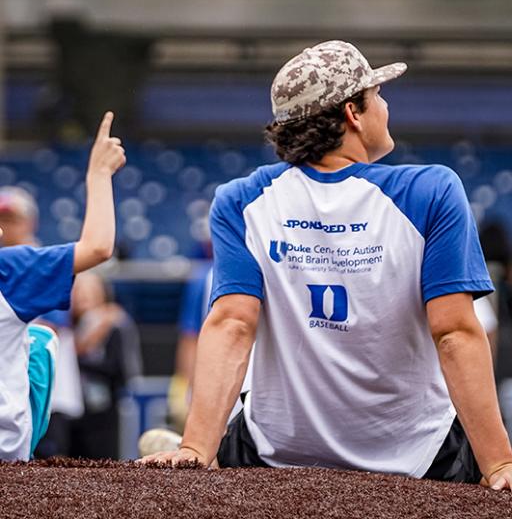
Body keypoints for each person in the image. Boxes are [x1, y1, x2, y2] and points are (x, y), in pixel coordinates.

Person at [141, 40, 512, 491]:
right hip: (418, 456)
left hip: (275, 453)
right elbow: (454, 332)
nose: (386, 107)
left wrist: (196, 451)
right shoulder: (431, 191)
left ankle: (198, 448)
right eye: (377, 96)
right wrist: (498, 466)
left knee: (220, 444)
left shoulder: (240, 200)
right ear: (354, 113)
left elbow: (232, 325)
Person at [0, 111, 125, 461]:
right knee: (41, 344)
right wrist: (99, 174)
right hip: (7, 444)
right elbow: (99, 246)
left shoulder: (20, 264)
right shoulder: (12, 268)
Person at [0, 186, 85, 457]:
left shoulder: (40, 261)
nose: (5, 226)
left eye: (11, 218)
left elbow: (50, 327)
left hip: (44, 387)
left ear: (30, 222)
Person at [70, 272, 142, 459]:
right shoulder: (64, 327)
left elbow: (121, 370)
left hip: (103, 412)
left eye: (90, 290)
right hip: (69, 413)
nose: (83, 296)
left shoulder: (115, 324)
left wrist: (80, 359)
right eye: (78, 290)